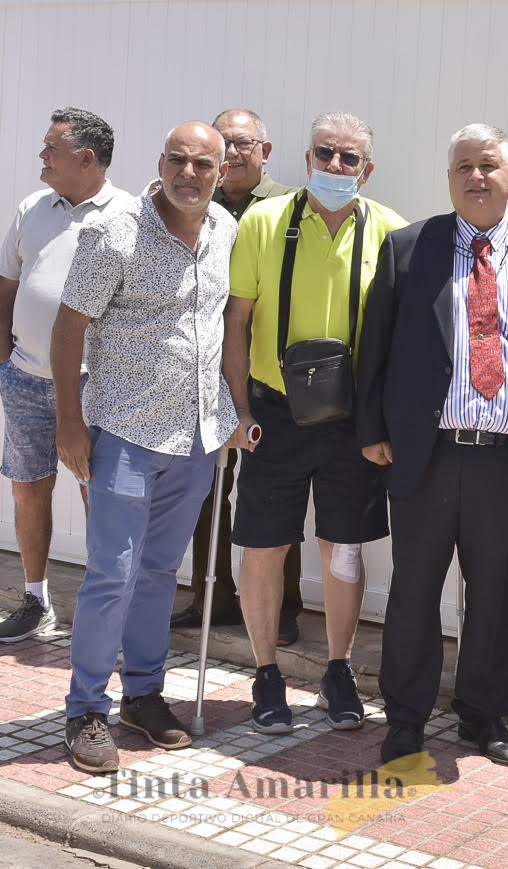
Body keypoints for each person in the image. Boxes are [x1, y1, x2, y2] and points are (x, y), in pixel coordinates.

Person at [357, 123, 508, 768]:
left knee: (494, 593)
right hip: (426, 453)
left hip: (507, 458)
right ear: (449, 178)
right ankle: (406, 718)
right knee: (414, 590)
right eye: (463, 167)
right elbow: (375, 345)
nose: (476, 177)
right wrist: (371, 429)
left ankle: (484, 713)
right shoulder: (409, 247)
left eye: (488, 165)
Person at [52, 121, 239, 773]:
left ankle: (142, 694)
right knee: (113, 572)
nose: (189, 173)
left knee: (160, 572)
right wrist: (69, 425)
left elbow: (220, 325)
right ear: (160, 163)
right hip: (125, 433)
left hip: (195, 437)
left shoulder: (225, 230)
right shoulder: (117, 231)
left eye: (203, 164)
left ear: (221, 172)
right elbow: (69, 326)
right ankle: (85, 709)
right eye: (177, 160)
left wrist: (231, 413)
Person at [223, 111, 407, 734]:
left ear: (367, 169)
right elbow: (236, 321)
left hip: (351, 422)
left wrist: (386, 425)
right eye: (324, 153)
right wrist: (237, 409)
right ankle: (266, 672)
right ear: (306, 159)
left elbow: (400, 339)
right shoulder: (264, 221)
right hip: (274, 412)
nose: (335, 165)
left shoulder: (391, 232)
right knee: (264, 545)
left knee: (343, 548)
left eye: (348, 158)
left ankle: (337, 669)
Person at [0, 107, 127, 644]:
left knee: (100, 496)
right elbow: (6, 288)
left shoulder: (128, 217)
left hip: (94, 386)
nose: (42, 155)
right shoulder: (32, 208)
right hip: (24, 379)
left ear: (86, 159)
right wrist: (5, 361)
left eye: (52, 147)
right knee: (28, 488)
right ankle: (35, 601)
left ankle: (103, 613)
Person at [170, 107, 304, 644]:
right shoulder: (197, 200)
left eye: (243, 142)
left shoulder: (290, 205)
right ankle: (212, 596)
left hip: (266, 374)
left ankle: (283, 607)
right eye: (224, 143)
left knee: (274, 495)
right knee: (206, 493)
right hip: (205, 372)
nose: (233, 152)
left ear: (264, 151)